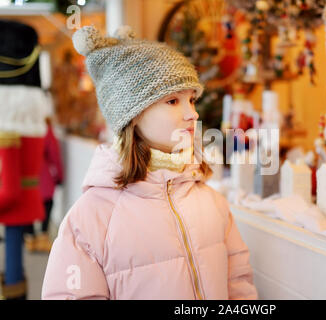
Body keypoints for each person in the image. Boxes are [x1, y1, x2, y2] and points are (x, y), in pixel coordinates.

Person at [41, 26, 258, 300]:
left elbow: (238, 284)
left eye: (192, 100)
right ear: (132, 116)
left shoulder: (212, 202)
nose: (192, 113)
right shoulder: (91, 218)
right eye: (172, 100)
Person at [0, 20, 48, 300]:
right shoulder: (28, 118)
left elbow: (9, 188)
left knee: (13, 259)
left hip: (11, 197)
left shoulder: (9, 126)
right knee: (14, 256)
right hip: (22, 197)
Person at [24, 117, 64, 253]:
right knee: (47, 203)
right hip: (42, 174)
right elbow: (54, 153)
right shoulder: (45, 127)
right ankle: (42, 236)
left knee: (27, 204)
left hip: (25, 174)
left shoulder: (21, 126)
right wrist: (59, 175)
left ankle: (29, 238)